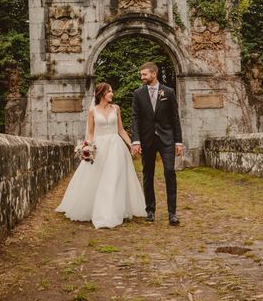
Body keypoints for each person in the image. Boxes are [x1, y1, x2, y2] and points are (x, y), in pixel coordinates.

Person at [56, 83, 146, 229]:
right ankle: (96, 207)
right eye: (109, 91)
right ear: (102, 93)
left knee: (114, 178)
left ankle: (111, 210)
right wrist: (86, 147)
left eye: (112, 91)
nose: (112, 94)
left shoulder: (116, 109)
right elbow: (91, 133)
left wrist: (132, 144)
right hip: (99, 148)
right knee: (98, 178)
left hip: (116, 147)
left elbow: (121, 130)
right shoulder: (92, 111)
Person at [130, 62, 183, 226]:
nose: (142, 77)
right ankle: (150, 210)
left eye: (144, 74)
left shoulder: (168, 92)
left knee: (169, 171)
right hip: (147, 140)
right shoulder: (138, 94)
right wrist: (136, 140)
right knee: (148, 174)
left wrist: (178, 142)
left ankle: (172, 213)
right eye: (141, 74)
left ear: (154, 74)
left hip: (166, 138)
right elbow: (135, 118)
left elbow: (175, 118)